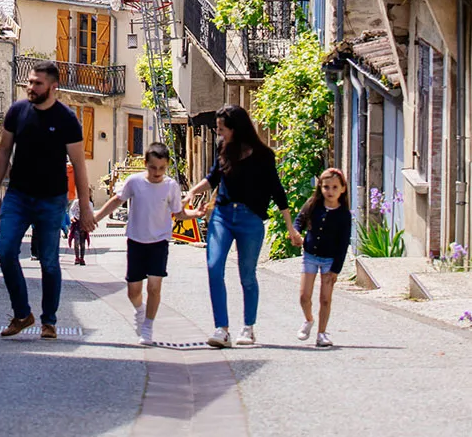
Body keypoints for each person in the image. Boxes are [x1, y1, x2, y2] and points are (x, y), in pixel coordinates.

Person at [185, 104, 303, 348]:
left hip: (250, 220)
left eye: (221, 129)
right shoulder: (223, 149)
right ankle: (222, 329)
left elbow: (277, 192)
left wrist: (291, 227)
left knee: (247, 276)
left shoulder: (263, 156)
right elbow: (213, 178)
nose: (219, 133)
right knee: (214, 266)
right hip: (223, 216)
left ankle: (248, 328)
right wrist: (192, 193)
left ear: (235, 128)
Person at [0, 62, 95, 338]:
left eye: (37, 83)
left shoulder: (66, 119)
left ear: (53, 87)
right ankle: (22, 314)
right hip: (18, 195)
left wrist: (84, 207)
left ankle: (49, 320)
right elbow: (3, 151)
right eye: (29, 82)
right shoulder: (17, 112)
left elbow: (78, 164)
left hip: (52, 199)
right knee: (5, 252)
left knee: (49, 261)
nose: (31, 87)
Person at [96, 142, 187, 345]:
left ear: (167, 166)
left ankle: (148, 326)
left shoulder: (171, 186)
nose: (157, 172)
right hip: (136, 240)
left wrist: (195, 214)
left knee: (154, 287)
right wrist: (97, 217)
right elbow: (116, 200)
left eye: (162, 168)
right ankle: (140, 311)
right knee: (133, 291)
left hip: (159, 242)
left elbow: (178, 213)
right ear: (146, 164)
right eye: (153, 167)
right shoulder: (134, 182)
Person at [295, 167, 352, 349]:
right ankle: (309, 319)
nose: (330, 191)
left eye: (335, 187)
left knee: (325, 299)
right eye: (326, 187)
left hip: (329, 260)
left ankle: (321, 333)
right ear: (320, 187)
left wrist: (336, 269)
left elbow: (343, 244)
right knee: (304, 296)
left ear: (342, 189)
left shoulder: (343, 215)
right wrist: (296, 233)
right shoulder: (313, 204)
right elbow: (299, 220)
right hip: (310, 255)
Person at [68, 195, 91, 265]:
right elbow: (71, 210)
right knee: (76, 241)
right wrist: (72, 217)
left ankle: (82, 258)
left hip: (84, 224)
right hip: (76, 223)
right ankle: (77, 257)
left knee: (82, 242)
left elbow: (91, 213)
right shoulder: (76, 202)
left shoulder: (89, 203)